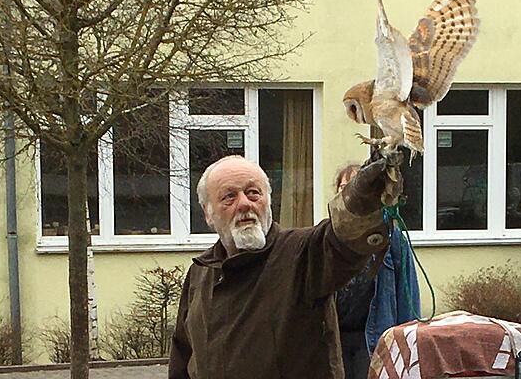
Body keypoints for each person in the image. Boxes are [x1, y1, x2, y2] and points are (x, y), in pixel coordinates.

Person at [169, 155, 400, 379]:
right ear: (208, 213)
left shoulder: (301, 253)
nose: (244, 204)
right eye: (229, 197)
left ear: (268, 201)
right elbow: (183, 356)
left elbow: (342, 239)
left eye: (253, 193)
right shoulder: (201, 272)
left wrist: (360, 198)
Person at [334, 164, 421, 379]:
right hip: (336, 338)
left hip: (374, 337)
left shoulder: (391, 237)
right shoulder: (329, 238)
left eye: (356, 188)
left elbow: (407, 295)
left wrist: (408, 346)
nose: (350, 195)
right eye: (344, 187)